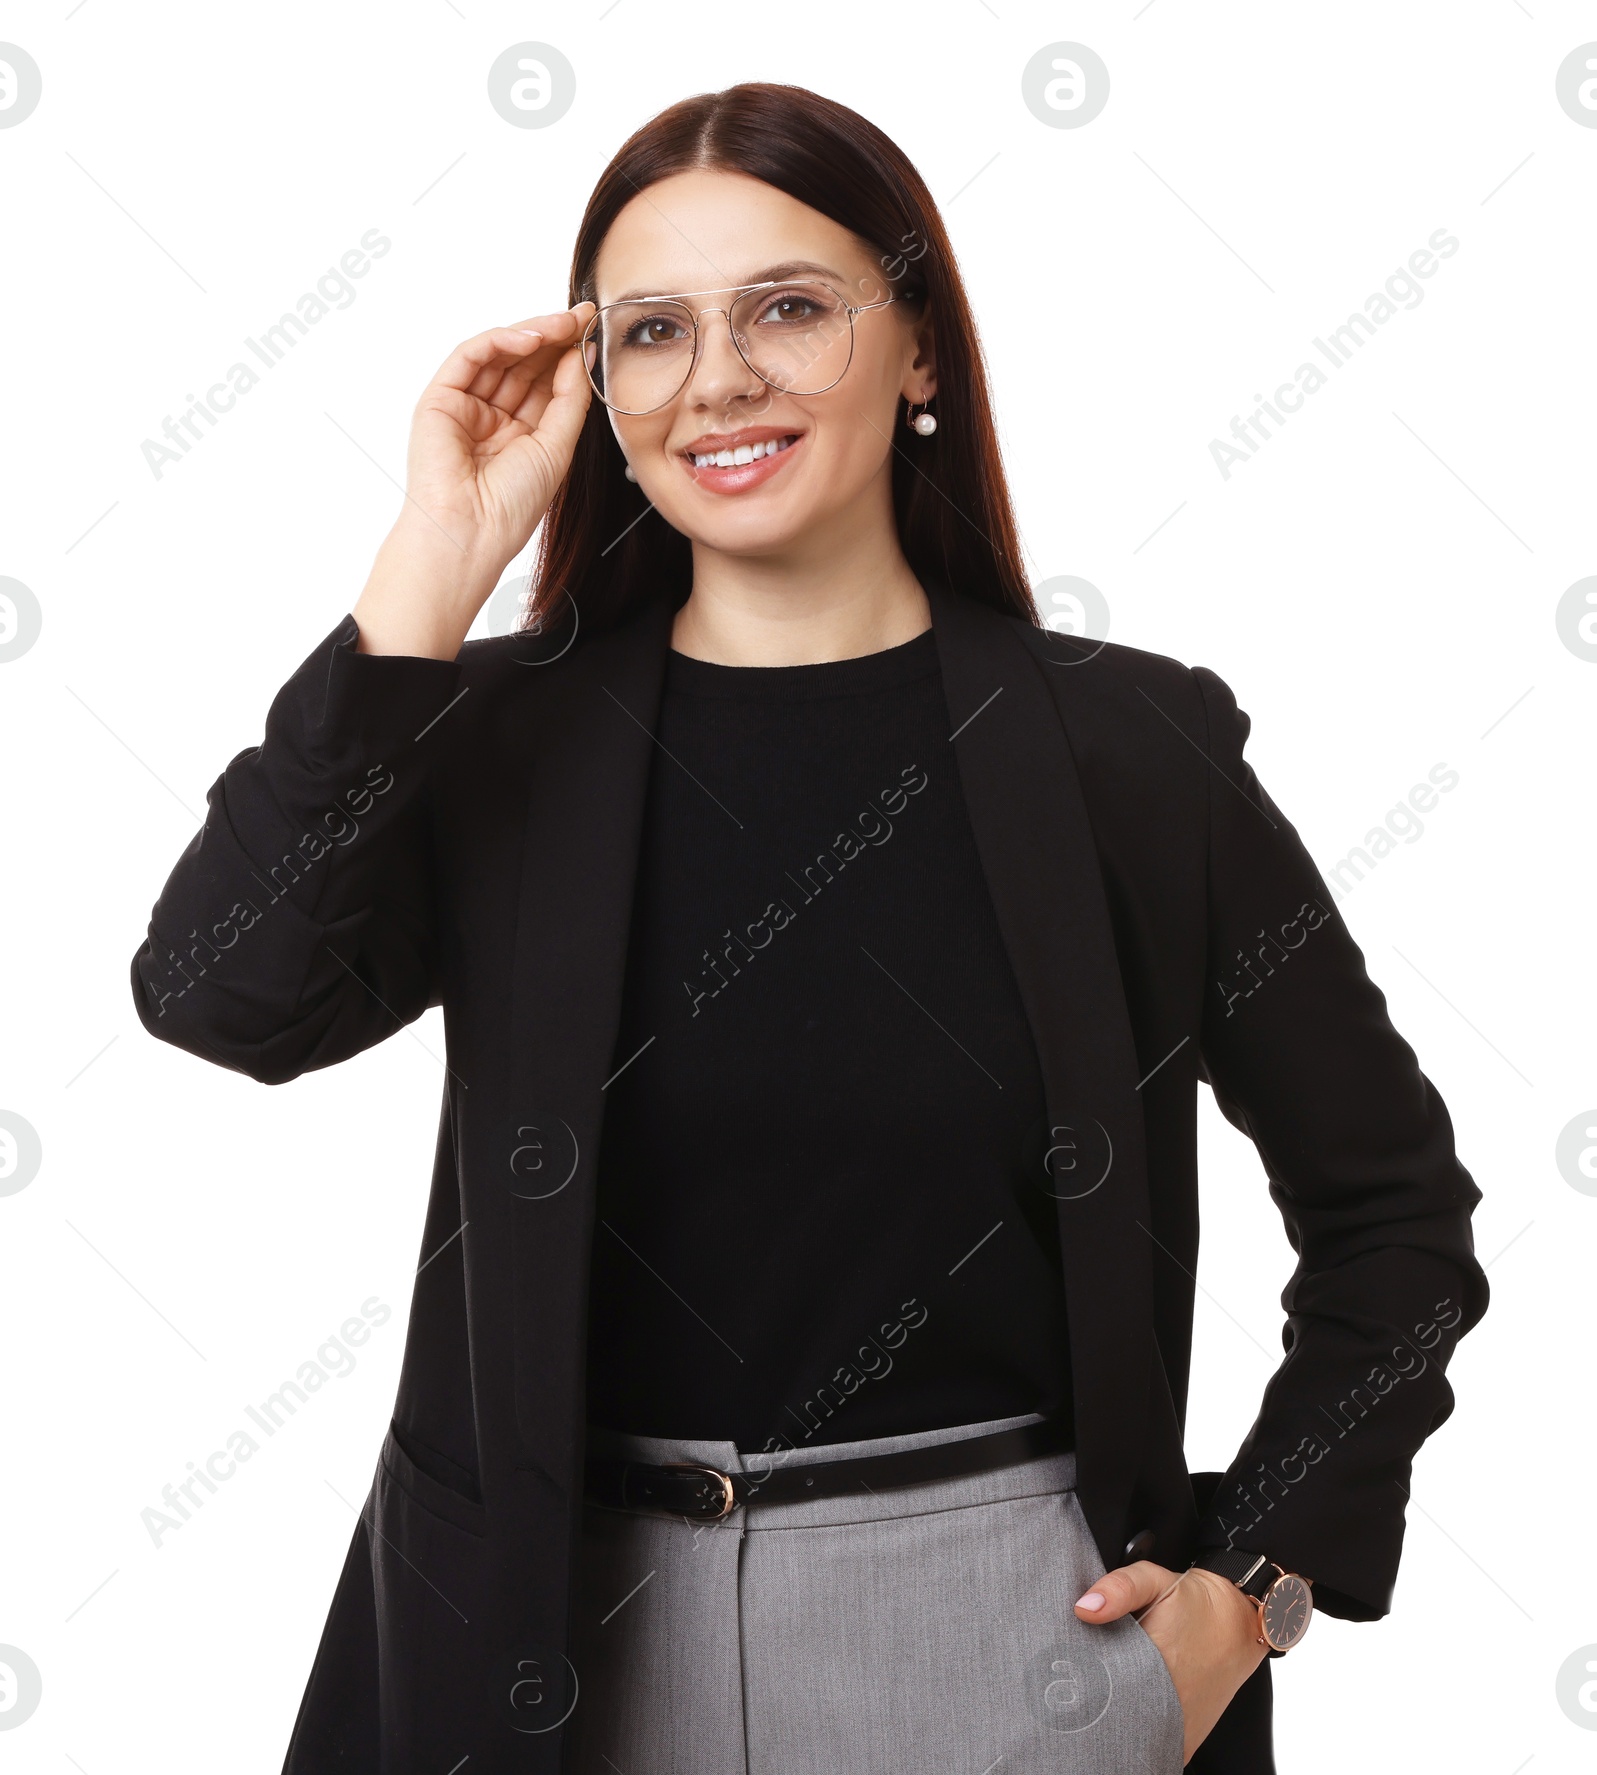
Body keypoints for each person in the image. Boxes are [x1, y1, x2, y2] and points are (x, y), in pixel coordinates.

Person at [131, 82, 1487, 1775]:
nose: (719, 379)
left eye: (788, 308)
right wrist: (438, 557)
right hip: (550, 1641)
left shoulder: (1132, 757)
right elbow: (217, 992)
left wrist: (1255, 1583)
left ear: (921, 352)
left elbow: (1393, 1218)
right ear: (602, 389)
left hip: (1013, 1643)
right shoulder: (499, 742)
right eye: (652, 334)